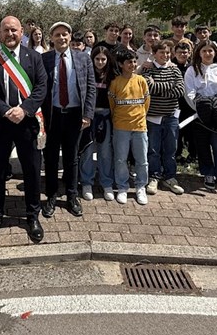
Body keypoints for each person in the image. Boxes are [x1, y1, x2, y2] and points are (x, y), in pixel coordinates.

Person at [0, 16, 47, 244]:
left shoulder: (34, 57)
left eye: (14, 30)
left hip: (26, 122)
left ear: (21, 32)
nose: (10, 34)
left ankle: (32, 215)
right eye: (6, 30)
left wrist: (24, 109)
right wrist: (7, 111)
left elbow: (41, 87)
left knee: (32, 171)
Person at [40, 22, 96, 218]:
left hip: (75, 116)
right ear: (52, 38)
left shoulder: (83, 58)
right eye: (57, 35)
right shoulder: (44, 59)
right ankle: (52, 196)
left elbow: (91, 87)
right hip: (52, 115)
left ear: (70, 37)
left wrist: (88, 114)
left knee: (72, 158)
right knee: (51, 158)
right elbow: (39, 89)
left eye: (65, 34)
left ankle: (72, 196)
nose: (61, 38)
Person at [184, 40, 217, 191]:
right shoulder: (192, 70)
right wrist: (200, 108)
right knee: (203, 146)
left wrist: (215, 108)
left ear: (215, 52)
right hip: (199, 115)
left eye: (210, 51)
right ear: (199, 52)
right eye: (204, 51)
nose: (207, 53)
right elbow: (189, 92)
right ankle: (208, 174)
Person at [142, 40, 185, 196]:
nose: (165, 56)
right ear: (154, 54)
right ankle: (154, 176)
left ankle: (170, 177)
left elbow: (180, 90)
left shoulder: (175, 70)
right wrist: (168, 85)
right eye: (162, 53)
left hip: (171, 116)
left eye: (167, 53)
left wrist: (158, 86)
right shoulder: (148, 70)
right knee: (153, 150)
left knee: (170, 149)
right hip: (153, 117)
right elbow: (149, 88)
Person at [108, 49, 151, 205]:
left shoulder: (141, 81)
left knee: (142, 160)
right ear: (121, 64)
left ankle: (141, 186)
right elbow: (112, 105)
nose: (132, 65)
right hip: (120, 127)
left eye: (134, 62)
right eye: (129, 62)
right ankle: (122, 187)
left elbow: (146, 103)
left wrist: (139, 117)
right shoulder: (115, 83)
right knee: (120, 159)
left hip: (140, 126)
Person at [80, 47, 117, 200]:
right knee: (87, 150)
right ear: (92, 59)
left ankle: (106, 182)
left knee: (105, 151)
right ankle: (86, 182)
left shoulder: (113, 75)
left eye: (103, 59)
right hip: (89, 115)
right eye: (97, 59)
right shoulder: (87, 73)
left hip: (106, 116)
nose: (100, 62)